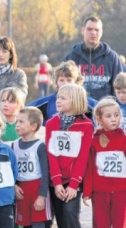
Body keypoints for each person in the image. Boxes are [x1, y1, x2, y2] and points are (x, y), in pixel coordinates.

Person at [46, 84, 93, 228]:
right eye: (58, 97)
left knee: (69, 213)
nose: (58, 100)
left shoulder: (87, 125)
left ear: (76, 101)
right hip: (56, 180)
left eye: (63, 98)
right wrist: (57, 182)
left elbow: (83, 157)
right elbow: (51, 154)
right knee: (60, 217)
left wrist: (74, 184)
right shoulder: (51, 123)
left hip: (74, 181)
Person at [83, 97, 126, 228]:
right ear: (99, 119)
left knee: (120, 224)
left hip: (121, 191)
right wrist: (86, 192)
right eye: (109, 116)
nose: (114, 119)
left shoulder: (124, 139)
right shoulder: (94, 141)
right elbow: (90, 169)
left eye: (116, 115)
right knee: (101, 224)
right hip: (99, 192)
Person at [64, 15, 123, 100]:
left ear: (101, 32)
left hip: (105, 109)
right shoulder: (71, 57)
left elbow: (120, 87)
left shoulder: (112, 57)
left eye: (97, 30)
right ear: (83, 30)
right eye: (89, 29)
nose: (93, 33)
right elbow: (64, 87)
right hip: (79, 109)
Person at [13, 107, 52, 228]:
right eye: (17, 122)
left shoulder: (40, 146)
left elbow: (45, 173)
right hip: (22, 190)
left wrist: (41, 196)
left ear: (33, 126)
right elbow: (10, 169)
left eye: (21, 122)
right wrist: (14, 185)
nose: (17, 125)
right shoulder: (14, 145)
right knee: (25, 224)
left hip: (37, 188)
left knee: (38, 224)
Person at [27, 60, 98, 126]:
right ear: (56, 82)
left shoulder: (92, 106)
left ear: (77, 82)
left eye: (69, 80)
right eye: (61, 80)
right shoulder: (44, 104)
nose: (65, 83)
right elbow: (22, 114)